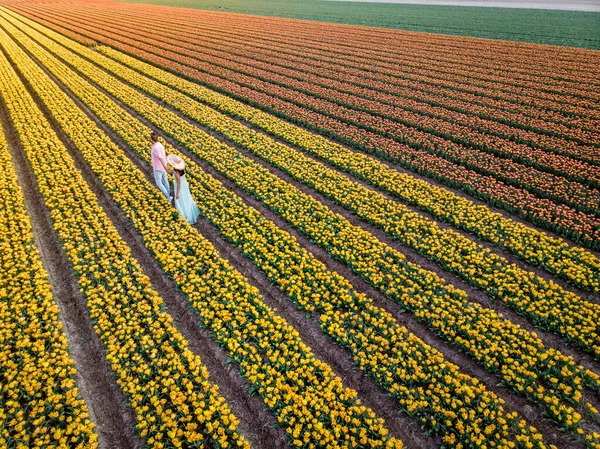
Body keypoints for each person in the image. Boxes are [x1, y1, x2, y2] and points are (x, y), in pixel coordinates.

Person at [167, 154, 200, 225]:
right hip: (185, 185)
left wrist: (177, 193)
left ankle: (184, 215)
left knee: (180, 200)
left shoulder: (176, 173)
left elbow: (178, 184)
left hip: (180, 187)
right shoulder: (182, 169)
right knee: (187, 198)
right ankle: (189, 212)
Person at [150, 131, 171, 201]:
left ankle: (168, 196)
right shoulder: (160, 145)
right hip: (163, 166)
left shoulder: (155, 148)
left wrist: (165, 166)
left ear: (151, 139)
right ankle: (169, 194)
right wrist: (165, 165)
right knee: (165, 180)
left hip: (158, 167)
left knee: (159, 183)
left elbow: (160, 157)